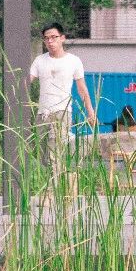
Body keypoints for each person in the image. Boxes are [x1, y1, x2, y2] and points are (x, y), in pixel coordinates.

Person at [29, 22, 97, 165]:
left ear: (62, 38)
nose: (50, 41)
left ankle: (53, 186)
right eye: (47, 38)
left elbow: (82, 88)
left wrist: (90, 112)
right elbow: (26, 82)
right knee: (39, 154)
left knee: (54, 152)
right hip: (42, 113)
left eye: (54, 37)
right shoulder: (39, 60)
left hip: (62, 112)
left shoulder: (73, 61)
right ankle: (48, 182)